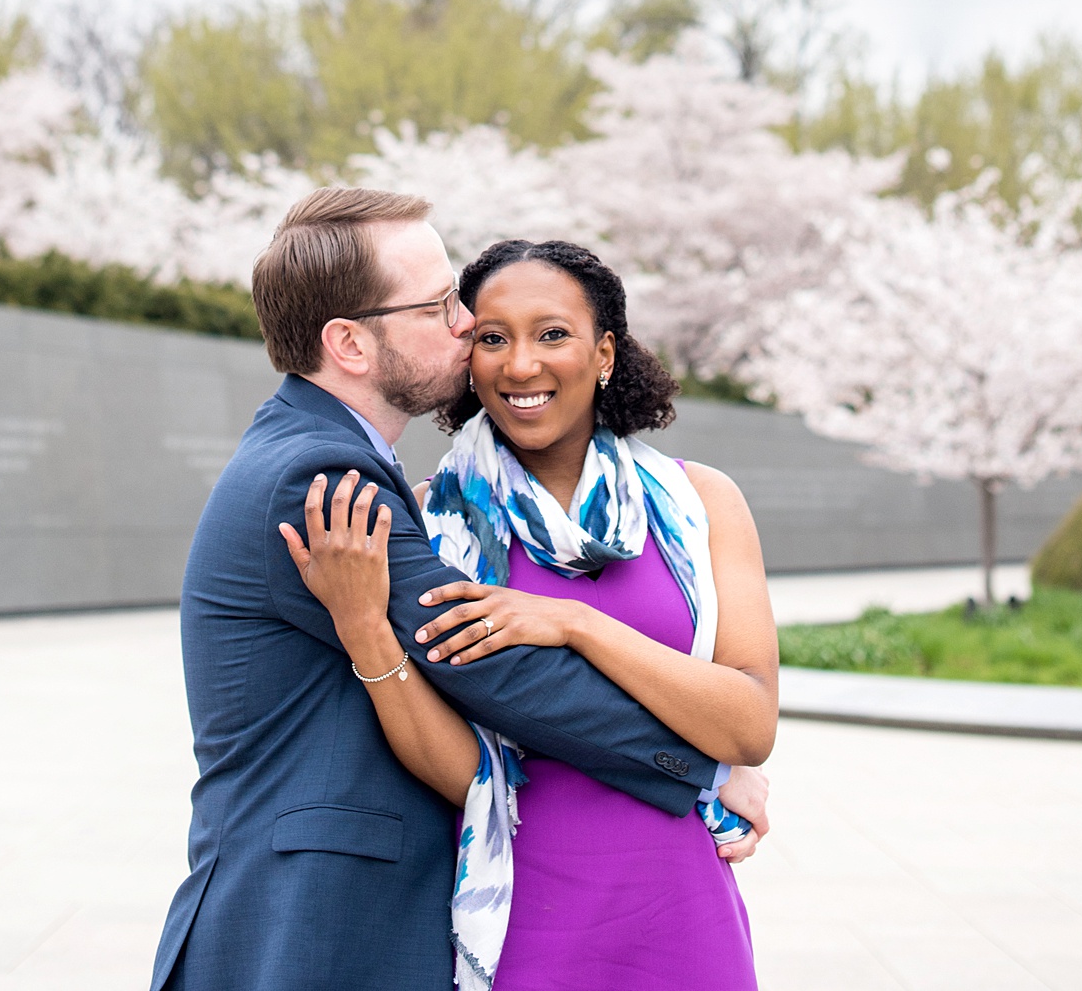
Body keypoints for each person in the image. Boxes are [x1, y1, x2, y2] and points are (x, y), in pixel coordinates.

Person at [148, 188, 768, 991]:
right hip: (310, 916)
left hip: (400, 903)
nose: (465, 324)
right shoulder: (322, 474)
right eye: (441, 304)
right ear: (350, 343)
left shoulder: (332, 455)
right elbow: (488, 664)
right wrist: (706, 766)